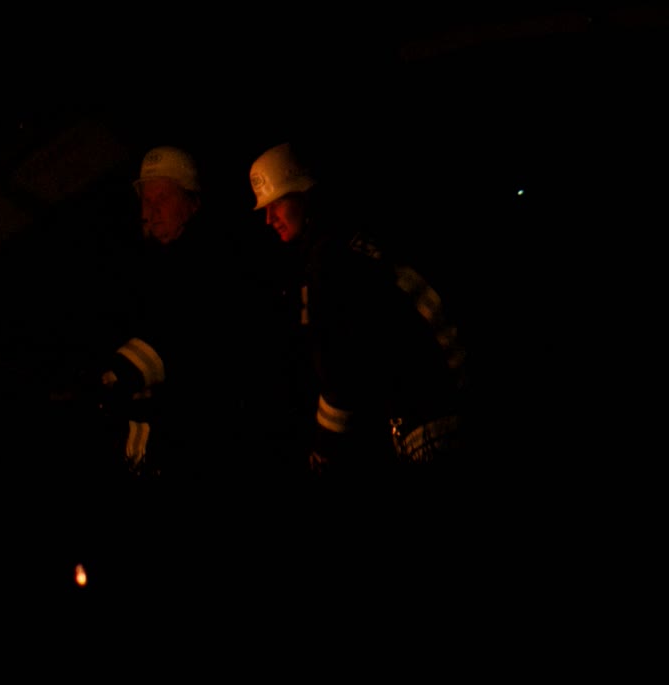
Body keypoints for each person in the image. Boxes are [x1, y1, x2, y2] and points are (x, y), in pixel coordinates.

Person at [250, 144, 465, 477]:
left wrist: (323, 452)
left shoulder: (330, 262)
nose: (269, 219)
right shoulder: (348, 239)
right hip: (443, 401)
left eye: (276, 203)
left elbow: (339, 371)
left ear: (304, 196)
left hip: (428, 417)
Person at [94, 145, 251, 477]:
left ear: (192, 202)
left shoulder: (211, 262)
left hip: (202, 440)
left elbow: (180, 336)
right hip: (159, 441)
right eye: (146, 200)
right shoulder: (147, 264)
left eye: (162, 198)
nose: (150, 210)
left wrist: (115, 376)